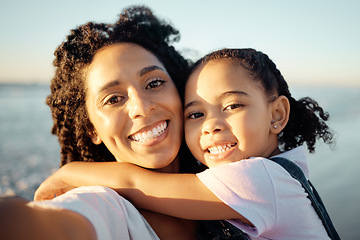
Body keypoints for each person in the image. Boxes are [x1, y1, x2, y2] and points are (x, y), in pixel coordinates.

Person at [39, 48, 340, 239]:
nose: (211, 125)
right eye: (196, 113)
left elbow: (137, 183)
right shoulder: (277, 177)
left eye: (233, 105)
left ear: (277, 114)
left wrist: (67, 174)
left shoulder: (261, 179)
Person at [0, 5, 202, 240]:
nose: (142, 107)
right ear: (91, 129)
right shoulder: (102, 206)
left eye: (154, 83)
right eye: (113, 99)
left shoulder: (227, 169)